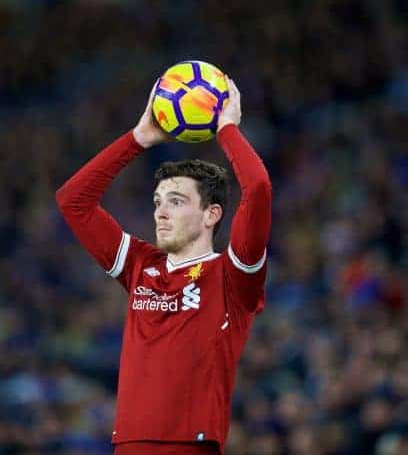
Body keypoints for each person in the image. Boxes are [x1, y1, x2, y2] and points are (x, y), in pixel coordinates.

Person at [56, 75, 272, 454]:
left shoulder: (233, 277)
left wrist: (227, 129)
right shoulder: (141, 265)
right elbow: (73, 201)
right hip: (126, 445)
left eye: (175, 201)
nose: (160, 213)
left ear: (211, 214)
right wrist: (138, 138)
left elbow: (257, 189)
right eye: (157, 201)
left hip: (188, 445)